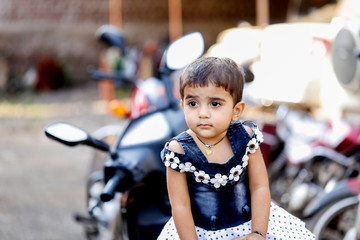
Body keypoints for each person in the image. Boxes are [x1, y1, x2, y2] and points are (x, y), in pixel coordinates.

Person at [157, 57, 315, 240]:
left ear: (236, 110)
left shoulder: (246, 137)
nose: (203, 113)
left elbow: (260, 187)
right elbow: (180, 206)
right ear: (183, 106)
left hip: (252, 224)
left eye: (215, 104)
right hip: (197, 233)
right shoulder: (179, 151)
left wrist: (257, 233)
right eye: (193, 103)